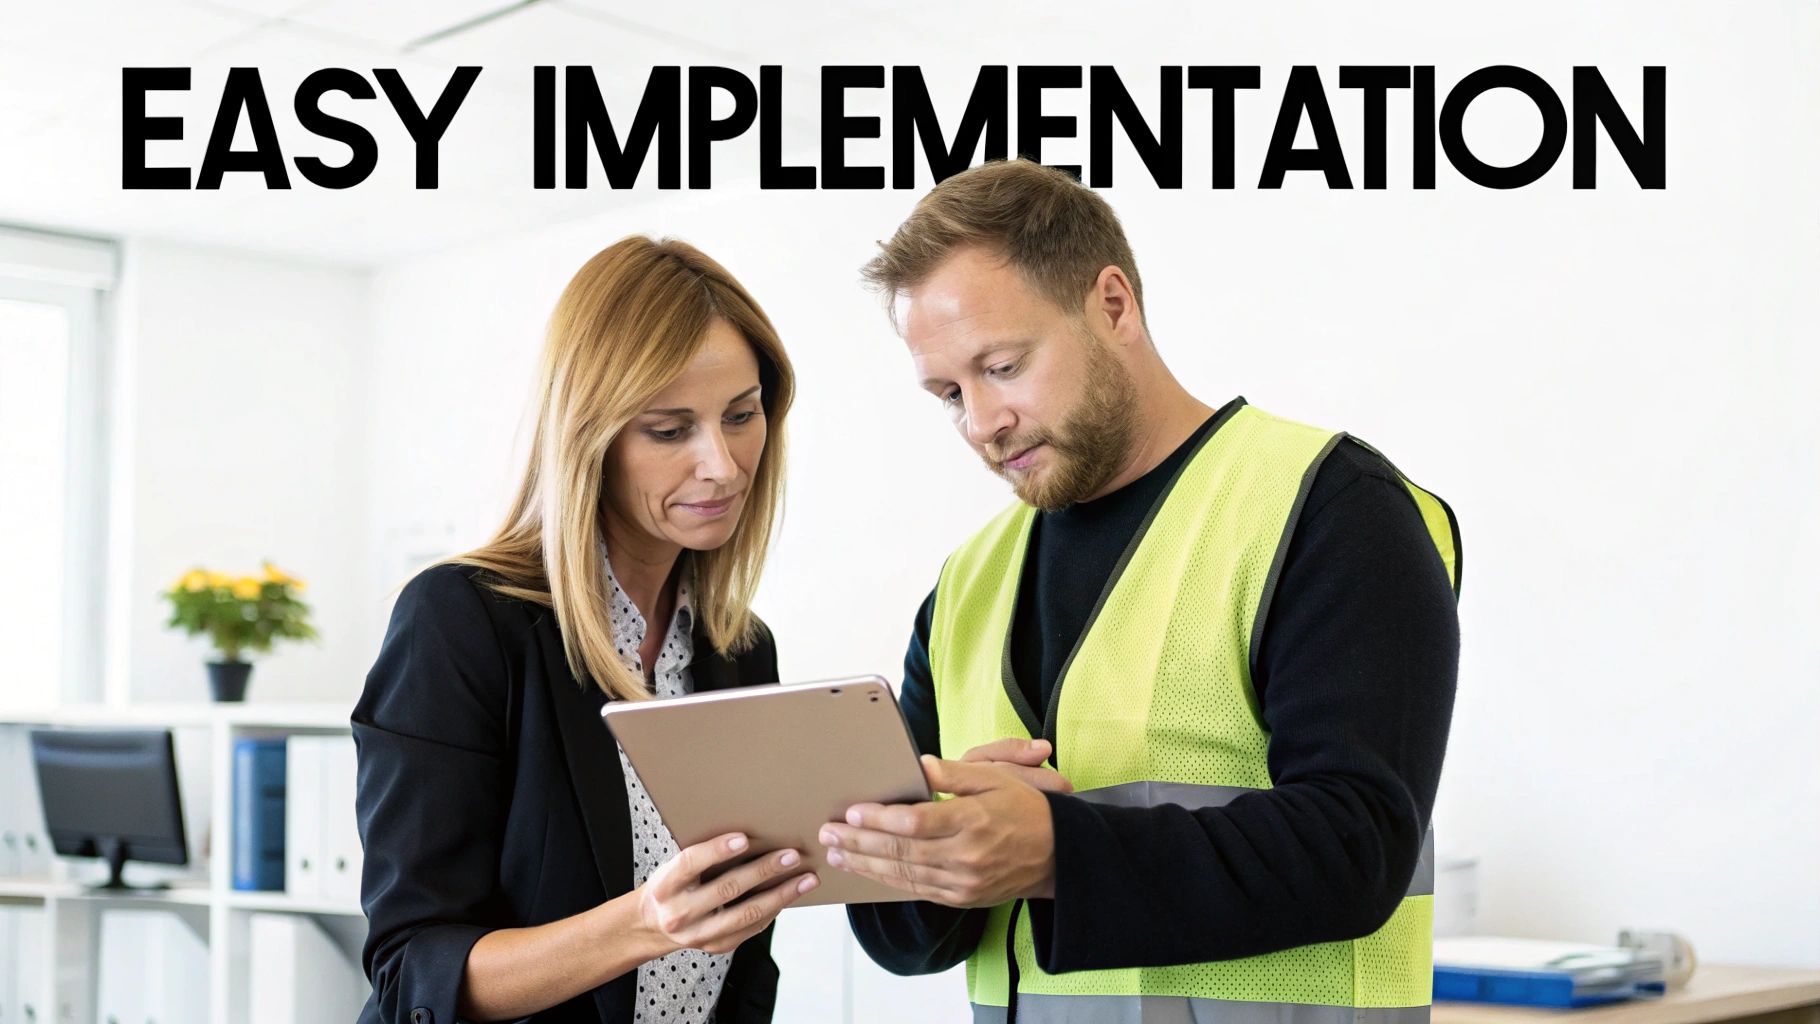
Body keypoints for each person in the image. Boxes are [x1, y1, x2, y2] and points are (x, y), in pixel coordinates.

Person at [825, 160, 1463, 1024]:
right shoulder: (964, 586)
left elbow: (1357, 844)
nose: (981, 422)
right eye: (948, 394)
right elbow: (903, 940)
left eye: (1003, 366)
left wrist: (1052, 852)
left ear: (1113, 304)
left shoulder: (1330, 508)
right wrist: (929, 859)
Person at [353, 237, 814, 1024]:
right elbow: (412, 972)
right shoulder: (460, 623)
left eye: (742, 415)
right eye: (670, 431)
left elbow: (742, 956)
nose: (724, 465)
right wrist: (644, 924)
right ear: (588, 440)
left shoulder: (738, 650)